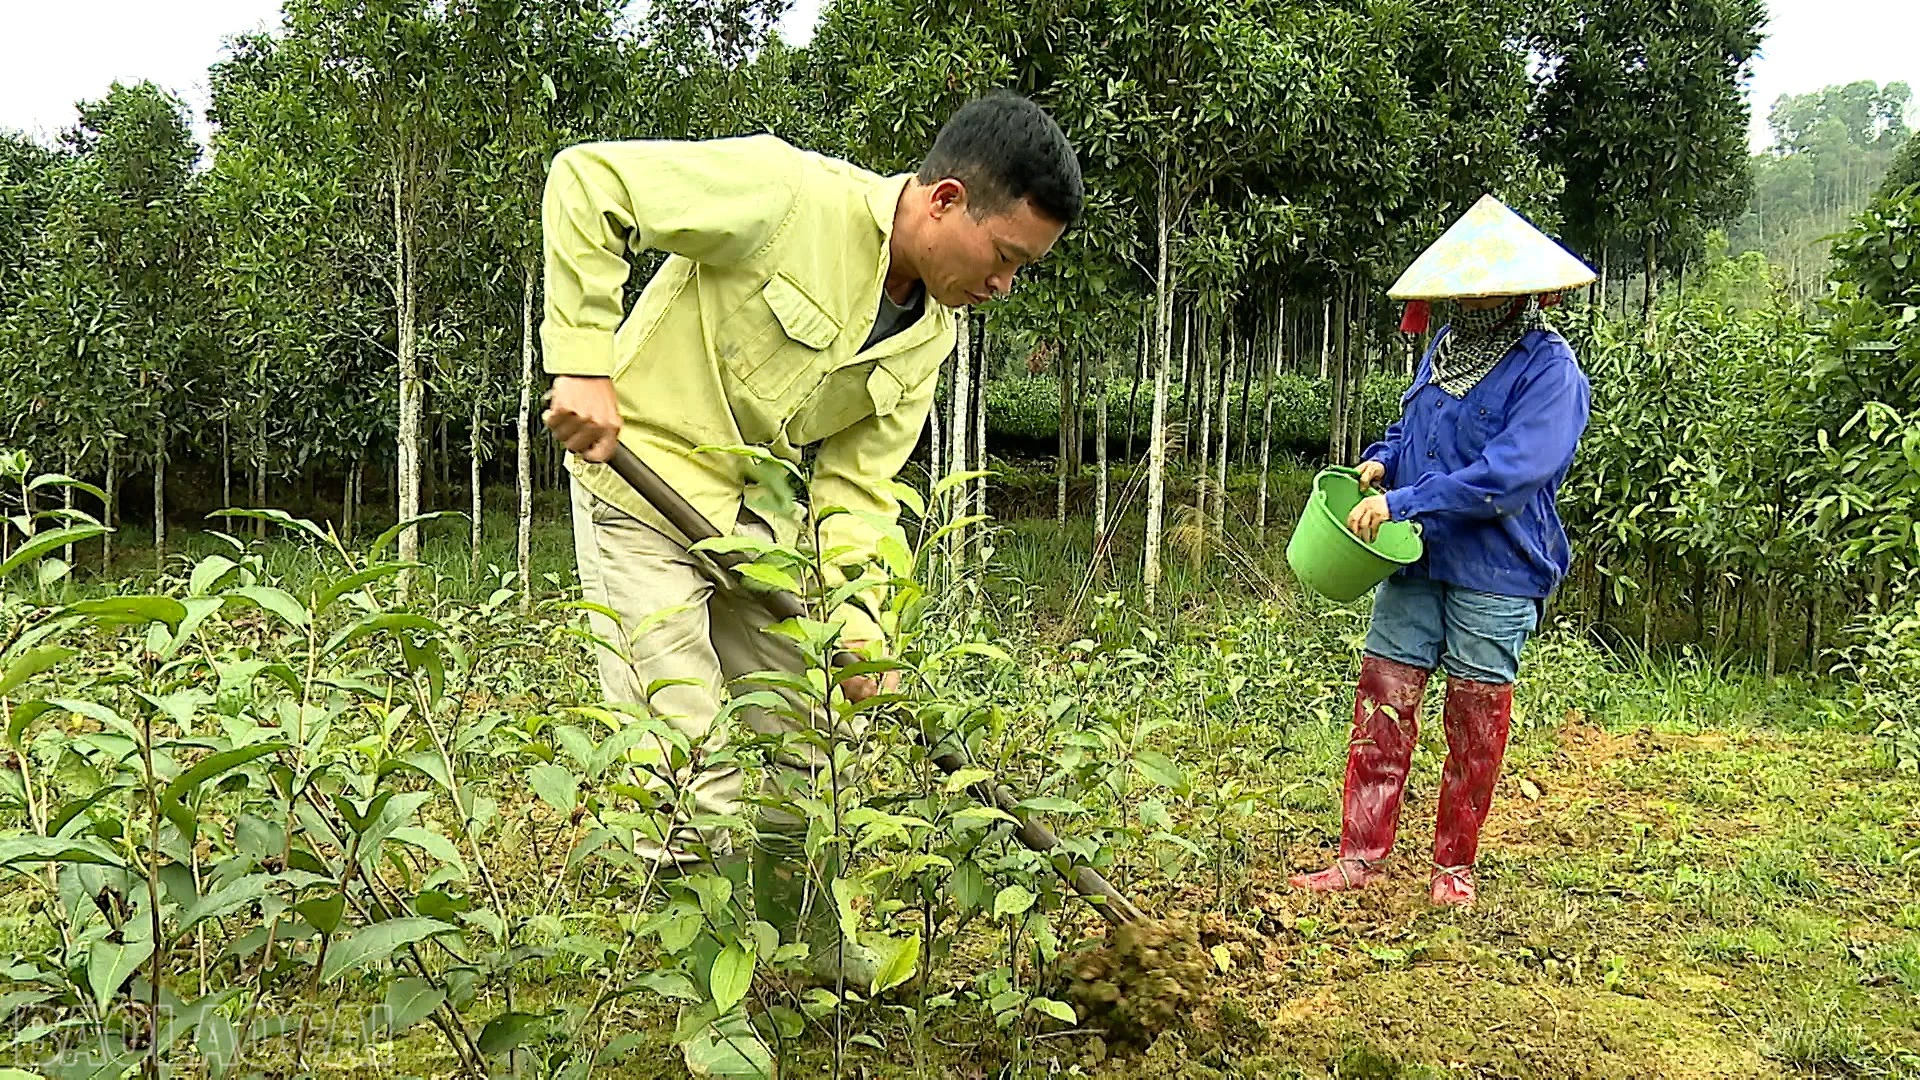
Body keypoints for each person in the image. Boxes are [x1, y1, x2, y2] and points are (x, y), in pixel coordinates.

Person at [537, 91, 1082, 1003]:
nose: (1003, 287)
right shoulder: (786, 194)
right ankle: (707, 1006)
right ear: (945, 200)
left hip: (756, 531)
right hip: (643, 488)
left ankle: (806, 935)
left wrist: (861, 622)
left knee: (810, 735)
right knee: (688, 759)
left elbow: (858, 491)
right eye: (1005, 258)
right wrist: (583, 359)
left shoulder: (931, 335)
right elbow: (590, 182)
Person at [1289, 194, 1594, 907]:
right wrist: (1381, 463)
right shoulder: (1444, 350)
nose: (1472, 299)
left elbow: (1510, 475)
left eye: (1485, 288)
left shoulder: (1550, 370)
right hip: (1418, 557)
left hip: (1498, 566)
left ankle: (1454, 867)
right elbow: (1415, 432)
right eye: (1461, 288)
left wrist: (1403, 502)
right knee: (1384, 699)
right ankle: (1359, 857)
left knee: (1474, 716)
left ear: (1518, 291)